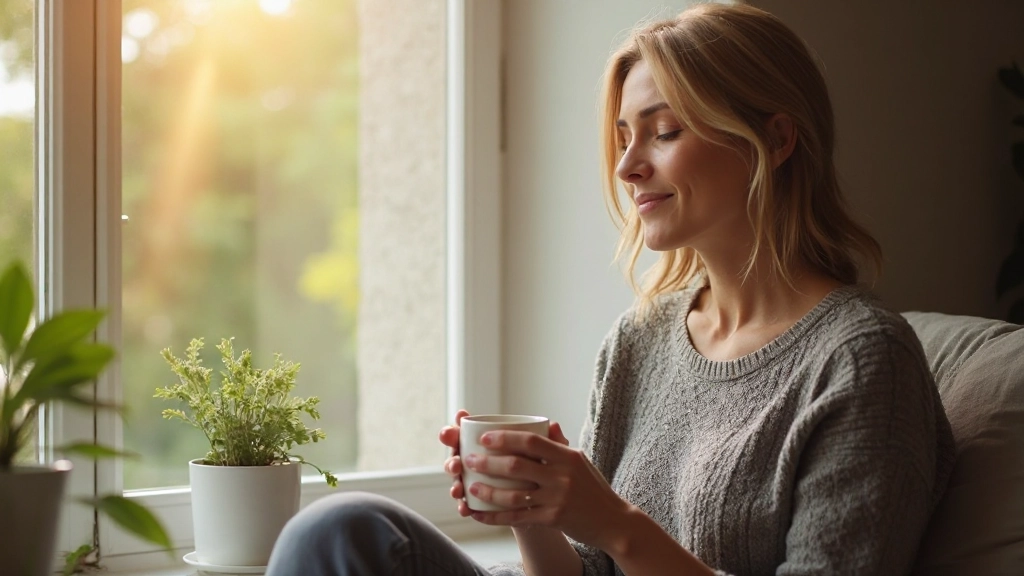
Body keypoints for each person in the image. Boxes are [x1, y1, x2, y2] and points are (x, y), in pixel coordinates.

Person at [265, 4, 955, 575]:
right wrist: (535, 516)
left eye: (663, 131)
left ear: (774, 140)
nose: (627, 165)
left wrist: (615, 524)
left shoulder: (862, 362)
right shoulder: (643, 337)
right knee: (339, 529)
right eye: (624, 136)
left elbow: (620, 543)